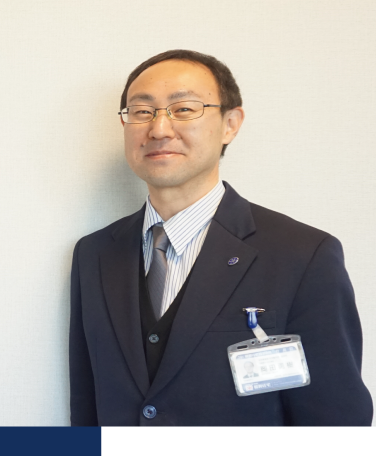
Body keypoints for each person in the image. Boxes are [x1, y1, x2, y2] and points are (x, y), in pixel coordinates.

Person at [69, 50, 373, 427]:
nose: (159, 129)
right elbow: (86, 406)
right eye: (142, 111)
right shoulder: (95, 254)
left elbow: (336, 416)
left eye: (183, 109)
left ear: (230, 124)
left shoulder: (303, 256)